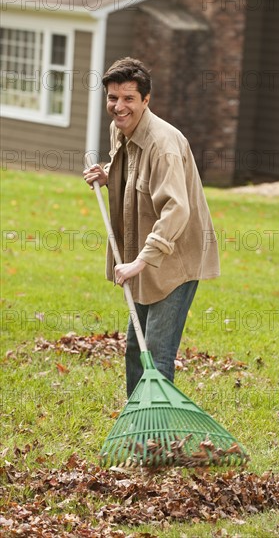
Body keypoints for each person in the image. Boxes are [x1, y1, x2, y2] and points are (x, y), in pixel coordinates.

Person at [83, 57, 220, 397]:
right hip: (143, 256)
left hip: (175, 259)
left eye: (129, 98)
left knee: (156, 355)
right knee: (135, 347)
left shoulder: (164, 145)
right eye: (113, 98)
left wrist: (140, 262)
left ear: (146, 100)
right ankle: (137, 423)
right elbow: (136, 180)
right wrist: (109, 175)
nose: (119, 106)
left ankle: (156, 440)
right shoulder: (122, 130)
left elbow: (176, 208)